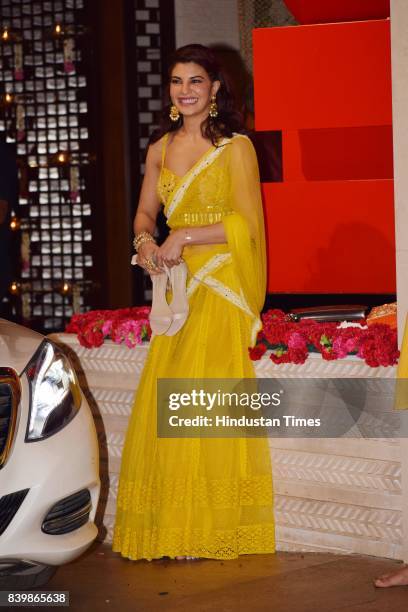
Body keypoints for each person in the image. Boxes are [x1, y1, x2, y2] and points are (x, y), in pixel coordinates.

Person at [112, 44, 275, 561]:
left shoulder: (236, 148)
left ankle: (207, 528)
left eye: (196, 81)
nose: (185, 90)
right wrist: (145, 243)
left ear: (216, 88)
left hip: (220, 282)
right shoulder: (159, 148)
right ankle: (172, 526)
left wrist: (183, 236)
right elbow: (143, 215)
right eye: (177, 81)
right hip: (175, 289)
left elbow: (246, 228)